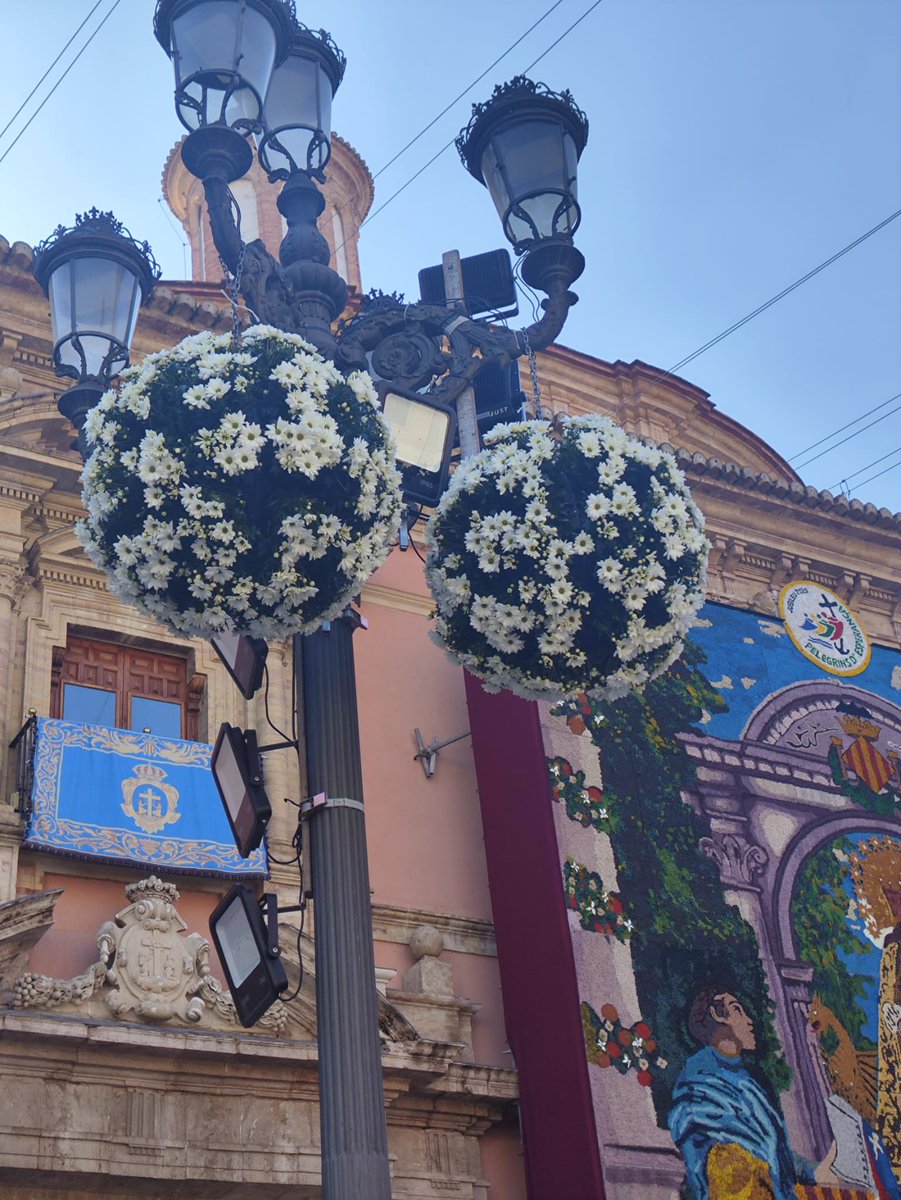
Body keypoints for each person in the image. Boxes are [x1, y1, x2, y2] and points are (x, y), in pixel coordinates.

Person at [668, 988, 839, 1200]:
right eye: (737, 1010)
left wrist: (816, 1169)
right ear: (717, 1015)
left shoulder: (752, 1083)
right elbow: (719, 1160)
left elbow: (775, 1151)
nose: (749, 1020)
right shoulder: (699, 1081)